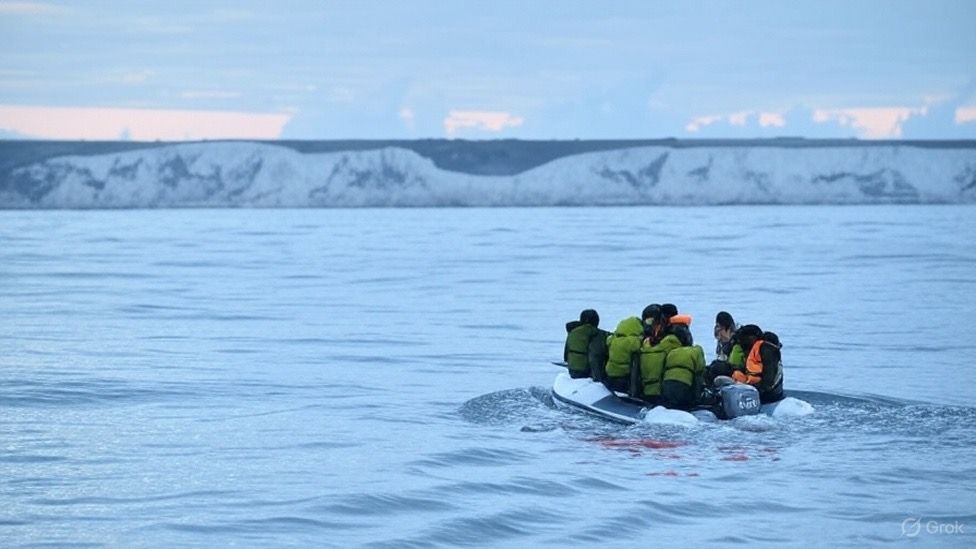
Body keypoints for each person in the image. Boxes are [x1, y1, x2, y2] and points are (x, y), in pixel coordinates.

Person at [709, 324, 785, 403]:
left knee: (721, 370)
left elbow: (768, 380)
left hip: (767, 394)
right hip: (755, 383)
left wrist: (751, 389)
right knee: (718, 367)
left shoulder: (767, 349)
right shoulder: (755, 348)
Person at [563, 309, 608, 380]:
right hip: (586, 372)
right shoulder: (598, 334)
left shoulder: (572, 332)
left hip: (572, 370)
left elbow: (565, 356)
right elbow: (595, 356)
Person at [604, 316, 644, 394]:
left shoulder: (613, 339)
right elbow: (640, 346)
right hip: (623, 376)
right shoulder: (632, 341)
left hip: (610, 373)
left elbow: (608, 340)